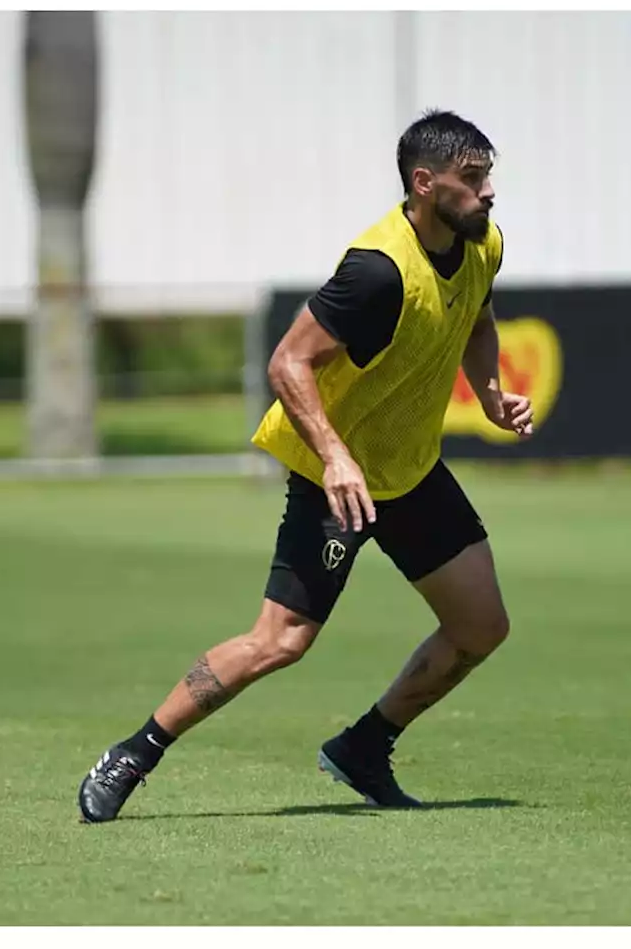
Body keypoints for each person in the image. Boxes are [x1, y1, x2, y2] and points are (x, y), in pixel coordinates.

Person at [78, 109, 533, 822]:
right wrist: (335, 457)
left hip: (409, 471)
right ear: (424, 184)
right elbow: (287, 362)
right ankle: (135, 751)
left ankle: (364, 748)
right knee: (279, 641)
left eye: (488, 176)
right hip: (336, 479)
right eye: (472, 179)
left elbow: (476, 316)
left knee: (481, 627)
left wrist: (492, 392)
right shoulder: (377, 272)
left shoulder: (484, 244)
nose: (489, 192)